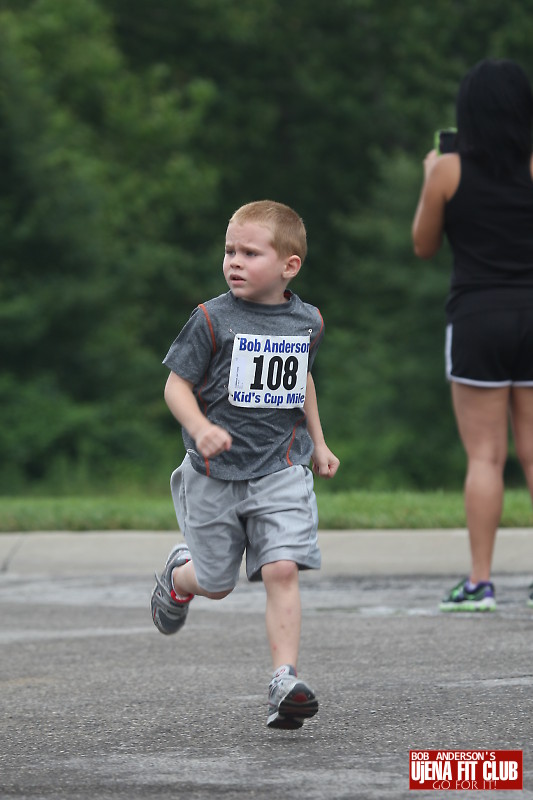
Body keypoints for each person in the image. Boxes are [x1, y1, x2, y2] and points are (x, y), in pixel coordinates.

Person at [151, 199, 340, 727]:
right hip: (213, 475)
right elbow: (176, 385)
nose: (234, 261)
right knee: (216, 583)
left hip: (281, 469)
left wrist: (319, 443)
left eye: (250, 253)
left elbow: (302, 381)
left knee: (281, 567)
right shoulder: (212, 318)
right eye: (229, 251)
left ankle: (285, 680)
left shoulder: (308, 321)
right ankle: (178, 576)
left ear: (289, 266)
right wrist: (201, 427)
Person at [412, 58, 533, 612]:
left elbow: (424, 245)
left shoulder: (448, 170)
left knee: (485, 456)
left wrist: (428, 176)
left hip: (478, 317)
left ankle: (480, 582)